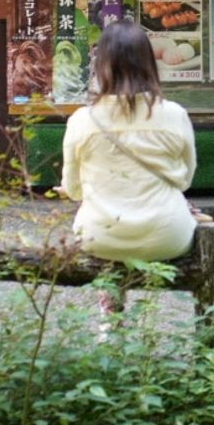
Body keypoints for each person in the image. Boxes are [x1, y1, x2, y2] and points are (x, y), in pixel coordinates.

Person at [60, 19, 199, 266]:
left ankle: (110, 301)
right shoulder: (175, 114)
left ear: (101, 65)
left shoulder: (81, 121)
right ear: (149, 62)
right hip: (168, 236)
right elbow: (185, 180)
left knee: (106, 250)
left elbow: (73, 190)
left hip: (99, 236)